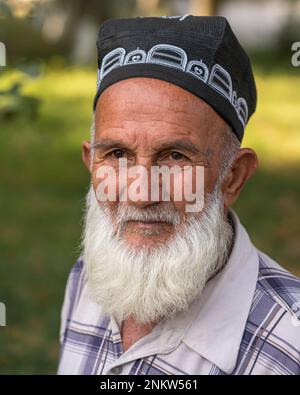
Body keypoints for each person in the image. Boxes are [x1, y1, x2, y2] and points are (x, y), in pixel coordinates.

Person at [57, 15, 300, 375]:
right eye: (118, 155)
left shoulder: (290, 344)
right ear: (92, 163)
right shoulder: (88, 278)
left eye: (175, 157)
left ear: (233, 177)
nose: (140, 194)